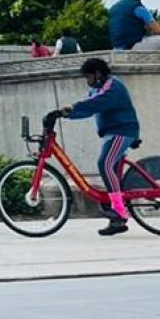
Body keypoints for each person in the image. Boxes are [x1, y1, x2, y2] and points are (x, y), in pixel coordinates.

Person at [58, 56, 141, 237]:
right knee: (111, 172)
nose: (87, 81)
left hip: (123, 131)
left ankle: (119, 210)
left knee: (105, 163)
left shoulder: (113, 86)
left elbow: (97, 103)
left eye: (88, 77)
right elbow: (89, 109)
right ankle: (117, 221)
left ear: (98, 73)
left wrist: (73, 107)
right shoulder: (96, 89)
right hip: (112, 133)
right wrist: (67, 114)